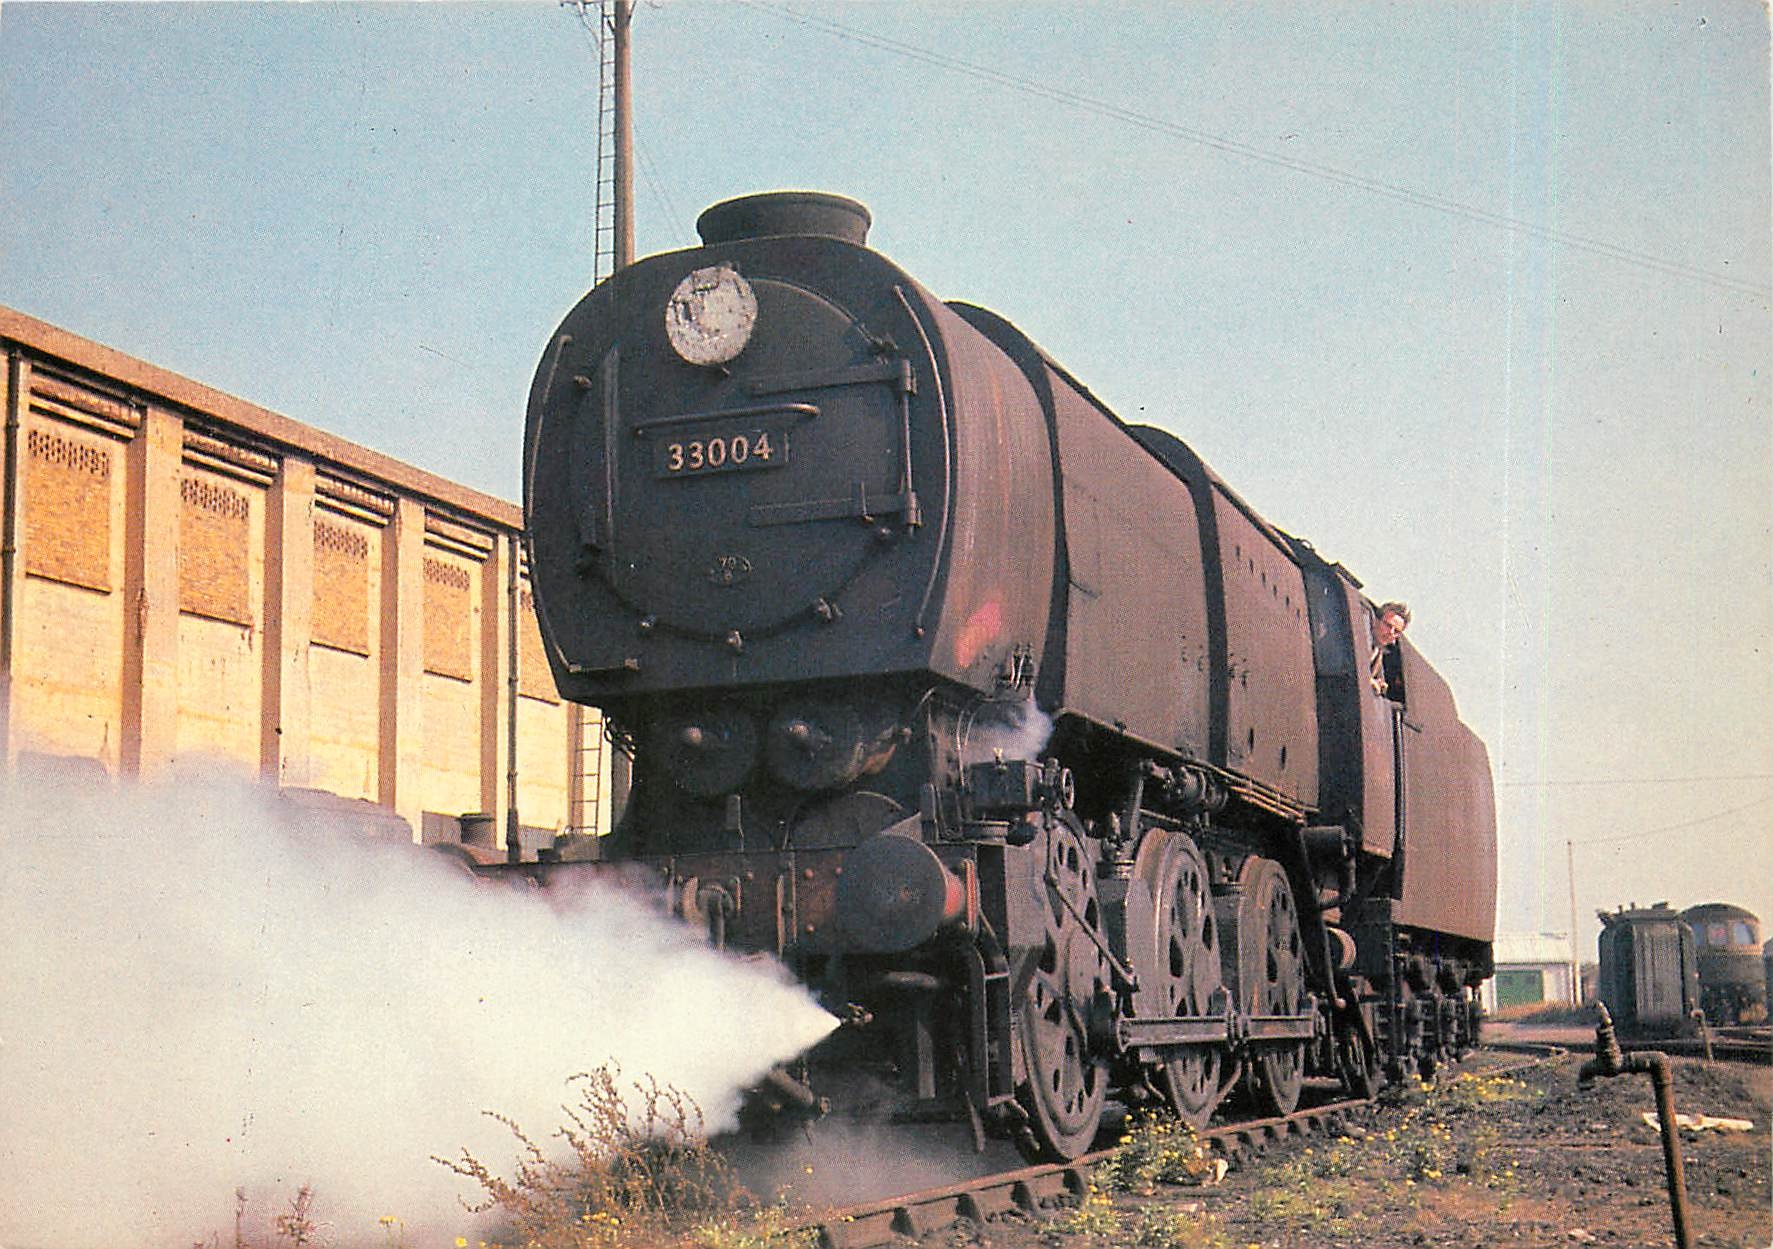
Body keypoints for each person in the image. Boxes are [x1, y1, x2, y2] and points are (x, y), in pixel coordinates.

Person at [1370, 601, 1410, 700]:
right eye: (1388, 625)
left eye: (1396, 631)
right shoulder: (1361, 640)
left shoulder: (1379, 654)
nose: (1391, 633)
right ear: (1376, 621)